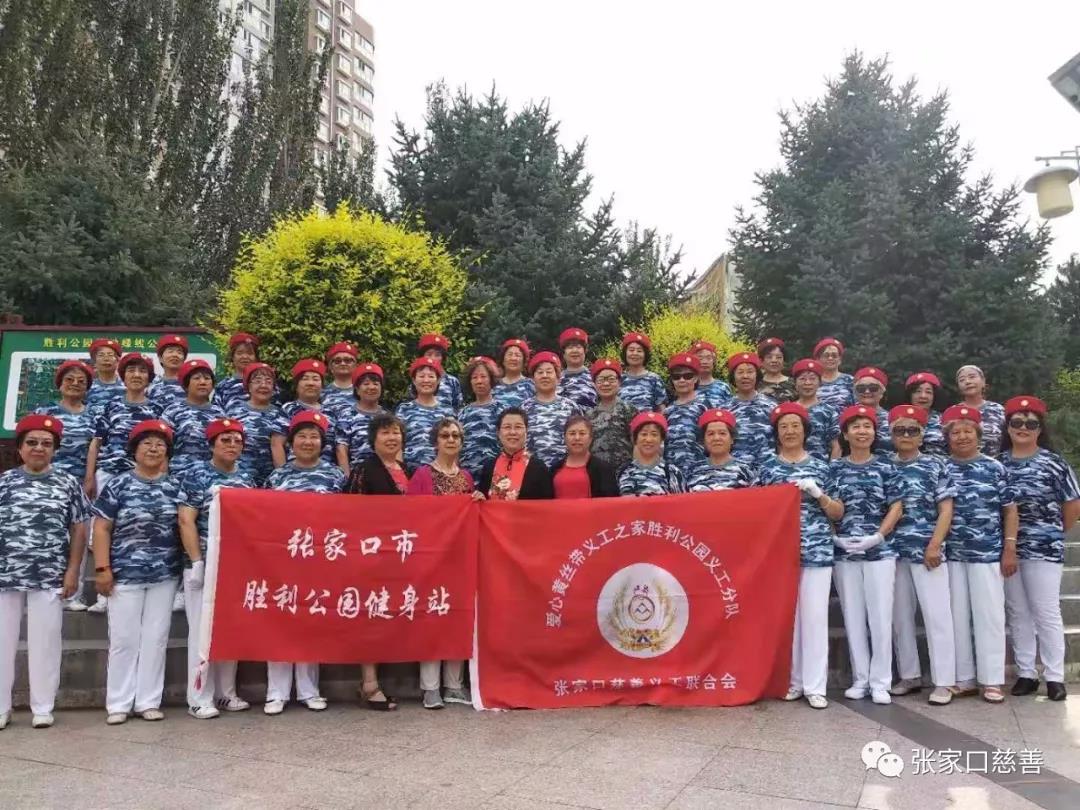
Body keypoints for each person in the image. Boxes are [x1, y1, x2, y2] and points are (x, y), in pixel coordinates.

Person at [0, 415, 90, 730]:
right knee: (1, 643)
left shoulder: (68, 482)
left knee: (46, 644)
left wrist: (73, 571)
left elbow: (79, 529)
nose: (39, 448)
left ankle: (42, 706)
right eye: (32, 443)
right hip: (5, 575)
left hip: (50, 574)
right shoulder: (5, 482)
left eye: (46, 444)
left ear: (54, 450)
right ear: (20, 448)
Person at [92, 420, 182, 724]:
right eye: (147, 444)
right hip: (124, 573)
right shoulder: (118, 484)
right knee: (123, 639)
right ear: (134, 450)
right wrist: (102, 568)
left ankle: (148, 701)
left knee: (156, 638)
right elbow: (101, 528)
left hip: (164, 574)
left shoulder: (175, 486)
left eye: (160, 445)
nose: (154, 449)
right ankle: (118, 703)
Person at [757, 402, 844, 709]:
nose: (790, 431)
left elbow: (838, 512)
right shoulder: (766, 467)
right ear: (776, 433)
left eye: (795, 426)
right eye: (784, 427)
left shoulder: (822, 467)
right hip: (781, 553)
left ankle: (815, 686)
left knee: (815, 618)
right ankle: (793, 681)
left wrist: (819, 495)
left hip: (817, 548)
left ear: (805, 431)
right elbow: (756, 511)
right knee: (789, 619)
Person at [263, 411, 345, 716]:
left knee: (311, 621)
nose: (308, 442)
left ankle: (309, 690)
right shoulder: (277, 477)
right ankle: (277, 692)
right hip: (284, 560)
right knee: (280, 623)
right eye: (302, 437)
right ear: (291, 443)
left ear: (322, 443)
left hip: (320, 559)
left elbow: (346, 517)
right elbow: (264, 517)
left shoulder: (335, 476)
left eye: (314, 437)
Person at [999, 396, 1080, 702]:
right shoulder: (998, 463)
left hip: (1044, 547)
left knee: (1046, 611)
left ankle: (1054, 677)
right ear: (1008, 427)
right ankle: (1026, 673)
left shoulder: (1054, 462)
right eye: (1017, 422)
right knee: (1017, 611)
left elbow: (1072, 505)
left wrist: (1054, 532)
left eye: (1030, 423)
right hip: (1007, 548)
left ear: (1039, 429)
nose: (1023, 428)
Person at [176, 418, 255, 719]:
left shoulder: (246, 477)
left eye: (237, 441)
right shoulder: (196, 474)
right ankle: (199, 697)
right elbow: (186, 519)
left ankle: (226, 693)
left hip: (234, 565)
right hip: (203, 564)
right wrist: (196, 560)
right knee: (201, 633)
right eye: (225, 440)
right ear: (211, 445)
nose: (232, 445)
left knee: (229, 630)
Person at [942, 404, 1018, 703]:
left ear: (978, 435)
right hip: (952, 553)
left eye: (967, 431)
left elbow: (1010, 510)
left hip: (987, 552)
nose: (962, 437)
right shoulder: (942, 468)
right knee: (956, 617)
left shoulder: (995, 467)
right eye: (956, 432)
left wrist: (1009, 547)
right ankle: (964, 679)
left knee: (989, 616)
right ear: (948, 438)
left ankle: (992, 679)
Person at [830, 405, 903, 705]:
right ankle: (860, 678)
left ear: (875, 432)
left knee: (881, 617)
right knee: (853, 617)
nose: (862, 432)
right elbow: (828, 506)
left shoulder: (886, 466)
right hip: (846, 551)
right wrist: (835, 536)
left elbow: (896, 506)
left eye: (867, 426)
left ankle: (881, 681)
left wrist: (878, 536)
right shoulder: (834, 468)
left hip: (879, 552)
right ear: (846, 435)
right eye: (855, 427)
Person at [888, 404, 958, 705]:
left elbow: (946, 509)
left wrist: (934, 544)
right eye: (899, 430)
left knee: (937, 615)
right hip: (893, 551)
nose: (905, 435)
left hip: (927, 550)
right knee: (899, 616)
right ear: (891, 434)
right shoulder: (884, 465)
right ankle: (909, 674)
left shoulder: (936, 465)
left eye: (912, 430)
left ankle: (944, 681)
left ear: (921, 435)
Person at [406, 417, 474, 710]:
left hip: (460, 559)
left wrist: (477, 500)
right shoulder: (422, 475)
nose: (451, 440)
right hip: (431, 558)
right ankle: (430, 687)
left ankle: (454, 685)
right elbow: (412, 515)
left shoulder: (467, 477)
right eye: (445, 435)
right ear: (436, 440)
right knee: (432, 619)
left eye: (456, 436)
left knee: (458, 618)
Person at [35, 360, 97, 611]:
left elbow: (94, 447)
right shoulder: (45, 411)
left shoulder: (93, 414)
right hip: (49, 480)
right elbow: (34, 445)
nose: (75, 384)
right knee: (49, 533)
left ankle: (73, 594)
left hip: (79, 482)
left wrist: (89, 477)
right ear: (60, 384)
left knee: (78, 534)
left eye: (81, 381)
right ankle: (46, 587)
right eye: (69, 380)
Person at [159, 359, 226, 481]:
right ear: (186, 384)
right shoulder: (173, 411)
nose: (202, 382)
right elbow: (162, 445)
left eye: (207, 378)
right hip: (180, 475)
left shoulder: (219, 414)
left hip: (211, 478)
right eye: (196, 378)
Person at [476, 408, 554, 500]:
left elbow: (547, 505)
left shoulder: (539, 468)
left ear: (526, 431)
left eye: (518, 427)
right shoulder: (489, 467)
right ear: (498, 433)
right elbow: (482, 501)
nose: (512, 432)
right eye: (507, 427)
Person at [522, 351, 583, 469]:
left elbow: (581, 440)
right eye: (540, 372)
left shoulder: (571, 407)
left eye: (549, 372)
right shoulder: (524, 408)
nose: (544, 376)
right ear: (533, 378)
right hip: (531, 470)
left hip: (565, 470)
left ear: (558, 377)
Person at [226, 362, 283, 486]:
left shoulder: (281, 414)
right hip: (240, 478)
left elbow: (280, 448)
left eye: (268, 381)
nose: (263, 385)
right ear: (249, 386)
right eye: (257, 381)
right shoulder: (234, 412)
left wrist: (281, 478)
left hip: (270, 479)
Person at [272, 359, 337, 467]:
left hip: (326, 473)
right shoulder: (289, 409)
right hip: (295, 472)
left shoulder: (330, 413)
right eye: (305, 379)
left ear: (322, 386)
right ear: (296, 385)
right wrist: (283, 473)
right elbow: (276, 444)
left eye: (315, 379)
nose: (310, 383)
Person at [396, 357, 455, 474]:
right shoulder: (404, 409)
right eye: (421, 376)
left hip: (441, 473)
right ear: (414, 380)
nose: (426, 380)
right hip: (409, 473)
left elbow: (454, 445)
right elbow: (397, 443)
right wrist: (399, 472)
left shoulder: (447, 411)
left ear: (438, 380)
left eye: (431, 376)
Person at [335, 362, 387, 475]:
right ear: (357, 389)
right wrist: (347, 478)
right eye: (366, 384)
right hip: (358, 474)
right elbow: (341, 449)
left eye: (375, 384)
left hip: (385, 474)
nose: (371, 387)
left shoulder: (387, 416)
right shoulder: (347, 415)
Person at [618, 412, 688, 496]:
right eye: (644, 434)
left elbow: (682, 501)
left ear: (661, 439)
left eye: (654, 435)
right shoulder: (623, 471)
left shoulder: (671, 472)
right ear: (636, 439)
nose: (648, 439)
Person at [586, 358, 636, 473]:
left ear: (619, 382)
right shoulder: (589, 415)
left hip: (625, 472)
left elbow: (637, 444)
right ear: (594, 384)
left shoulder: (629, 410)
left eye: (611, 379)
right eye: (601, 380)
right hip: (598, 473)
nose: (606, 384)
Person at [549, 415, 618, 498]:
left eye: (582, 433)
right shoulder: (554, 469)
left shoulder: (603, 469)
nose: (577, 438)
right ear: (565, 438)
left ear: (590, 438)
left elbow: (611, 502)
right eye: (572, 433)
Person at [726, 352, 776, 464]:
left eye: (750, 372)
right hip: (737, 467)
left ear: (757, 375)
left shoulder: (771, 406)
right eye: (740, 372)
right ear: (733, 377)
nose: (745, 376)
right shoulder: (725, 409)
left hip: (767, 465)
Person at [687, 409, 756, 491]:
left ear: (732, 439)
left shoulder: (748, 469)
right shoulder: (693, 471)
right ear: (704, 440)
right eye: (711, 434)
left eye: (722, 433)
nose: (716, 438)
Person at [458, 357, 503, 481]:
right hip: (467, 476)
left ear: (491, 380)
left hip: (496, 476)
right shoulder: (463, 413)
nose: (479, 381)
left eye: (483, 377)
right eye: (474, 377)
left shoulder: (502, 410)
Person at [663, 352, 707, 476]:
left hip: (698, 472)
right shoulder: (667, 411)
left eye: (687, 376)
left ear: (696, 378)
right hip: (673, 473)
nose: (682, 380)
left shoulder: (704, 406)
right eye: (676, 377)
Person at [345, 413, 410, 495]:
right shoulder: (363, 470)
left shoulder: (406, 469)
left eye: (396, 433)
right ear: (374, 438)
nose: (392, 438)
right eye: (385, 433)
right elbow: (352, 500)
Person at [790, 358, 840, 462]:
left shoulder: (829, 411)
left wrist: (832, 468)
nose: (807, 383)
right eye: (802, 379)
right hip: (792, 466)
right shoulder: (788, 411)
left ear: (819, 383)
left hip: (821, 467)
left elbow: (836, 446)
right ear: (795, 383)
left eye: (812, 379)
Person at [955, 365, 1006, 457]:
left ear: (983, 381)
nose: (967, 382)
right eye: (962, 380)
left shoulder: (998, 410)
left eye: (972, 377)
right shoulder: (952, 412)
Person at [213, 333, 261, 412]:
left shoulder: (266, 386)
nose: (245, 357)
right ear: (232, 357)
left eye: (250, 353)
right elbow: (216, 414)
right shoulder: (223, 387)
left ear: (256, 357)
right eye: (239, 353)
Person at [618, 332, 666, 411]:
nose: (635, 353)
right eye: (631, 350)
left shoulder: (654, 379)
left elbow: (661, 408)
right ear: (625, 353)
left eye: (639, 351)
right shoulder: (619, 379)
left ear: (645, 355)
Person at [850, 366, 892, 453]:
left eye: (873, 388)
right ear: (855, 392)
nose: (867, 391)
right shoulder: (848, 417)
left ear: (882, 392)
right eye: (861, 388)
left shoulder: (891, 419)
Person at [417, 333, 463, 411]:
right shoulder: (418, 379)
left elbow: (458, 408)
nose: (433, 358)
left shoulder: (452, 381)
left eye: (437, 355)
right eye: (429, 354)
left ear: (442, 358)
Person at [906, 372, 946, 456]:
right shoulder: (898, 419)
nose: (923, 396)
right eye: (918, 391)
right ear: (910, 395)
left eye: (928, 392)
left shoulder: (944, 420)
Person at [557, 327, 598, 409]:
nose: (575, 350)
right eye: (570, 347)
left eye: (578, 347)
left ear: (585, 351)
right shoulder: (556, 380)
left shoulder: (595, 377)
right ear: (564, 353)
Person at [147, 334, 189, 409]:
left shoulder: (190, 384)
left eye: (179, 352)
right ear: (160, 358)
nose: (175, 355)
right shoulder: (150, 385)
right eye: (170, 351)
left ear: (184, 359)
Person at [85, 338, 126, 412]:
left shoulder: (127, 387)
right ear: (94, 362)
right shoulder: (87, 388)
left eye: (110, 355)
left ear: (117, 361)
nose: (106, 359)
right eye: (101, 355)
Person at [493, 338, 535, 408]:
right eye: (510, 354)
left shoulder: (531, 385)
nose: (513, 358)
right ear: (503, 360)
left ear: (524, 361)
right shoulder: (494, 385)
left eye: (517, 355)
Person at [813, 337, 854, 410]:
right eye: (826, 355)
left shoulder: (850, 380)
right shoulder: (811, 381)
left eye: (834, 355)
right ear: (818, 359)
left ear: (840, 359)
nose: (830, 358)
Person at [690, 340, 732, 406]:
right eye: (700, 358)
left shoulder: (723, 387)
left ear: (713, 361)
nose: (705, 362)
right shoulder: (688, 386)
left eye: (708, 358)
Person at [322, 341, 359, 415]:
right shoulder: (321, 394)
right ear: (330, 367)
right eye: (337, 361)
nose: (343, 363)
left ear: (356, 365)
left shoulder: (364, 392)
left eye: (347, 360)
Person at [757, 337, 796, 403]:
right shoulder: (756, 384)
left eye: (779, 357)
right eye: (769, 357)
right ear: (761, 361)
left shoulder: (794, 383)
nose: (774, 361)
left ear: (783, 360)